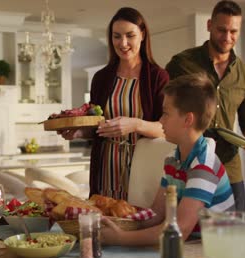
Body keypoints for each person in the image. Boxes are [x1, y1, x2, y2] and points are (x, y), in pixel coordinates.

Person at [101, 73, 235, 246]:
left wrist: (121, 238)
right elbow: (158, 212)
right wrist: (117, 224)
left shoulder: (203, 166)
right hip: (191, 244)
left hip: (215, 250)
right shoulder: (173, 158)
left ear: (188, 119)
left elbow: (180, 229)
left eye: (165, 113)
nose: (160, 120)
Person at [165, 0, 245, 211]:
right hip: (192, 164)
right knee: (190, 234)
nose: (227, 37)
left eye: (233, 31)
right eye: (221, 30)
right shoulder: (181, 64)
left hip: (230, 169)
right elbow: (168, 109)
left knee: (234, 236)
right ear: (209, 25)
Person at [59, 7, 168, 200]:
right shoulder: (101, 78)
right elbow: (97, 126)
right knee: (105, 221)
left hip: (141, 168)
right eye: (116, 36)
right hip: (106, 168)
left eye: (130, 35)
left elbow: (166, 129)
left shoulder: (157, 77)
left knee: (135, 222)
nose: (123, 43)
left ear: (142, 35)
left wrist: (135, 124)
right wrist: (79, 133)